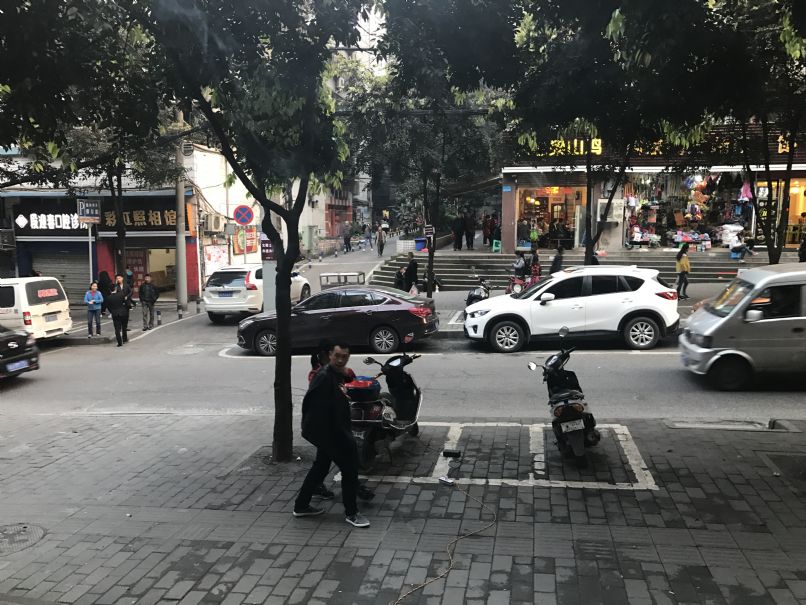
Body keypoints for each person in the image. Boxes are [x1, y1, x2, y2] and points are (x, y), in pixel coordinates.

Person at [294, 342, 369, 528]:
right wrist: (340, 437)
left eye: (344, 356)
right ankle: (351, 513)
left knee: (320, 467)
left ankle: (301, 506)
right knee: (349, 470)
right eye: (337, 356)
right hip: (330, 433)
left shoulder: (335, 374)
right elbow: (317, 410)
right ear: (330, 355)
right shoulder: (324, 377)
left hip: (328, 433)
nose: (341, 360)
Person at [106, 275, 131, 347]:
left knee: (117, 329)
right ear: (116, 289)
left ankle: (119, 342)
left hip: (115, 313)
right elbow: (124, 302)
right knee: (124, 326)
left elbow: (108, 306)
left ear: (110, 290)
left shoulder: (108, 298)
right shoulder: (121, 295)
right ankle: (124, 339)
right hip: (123, 312)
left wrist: (112, 311)